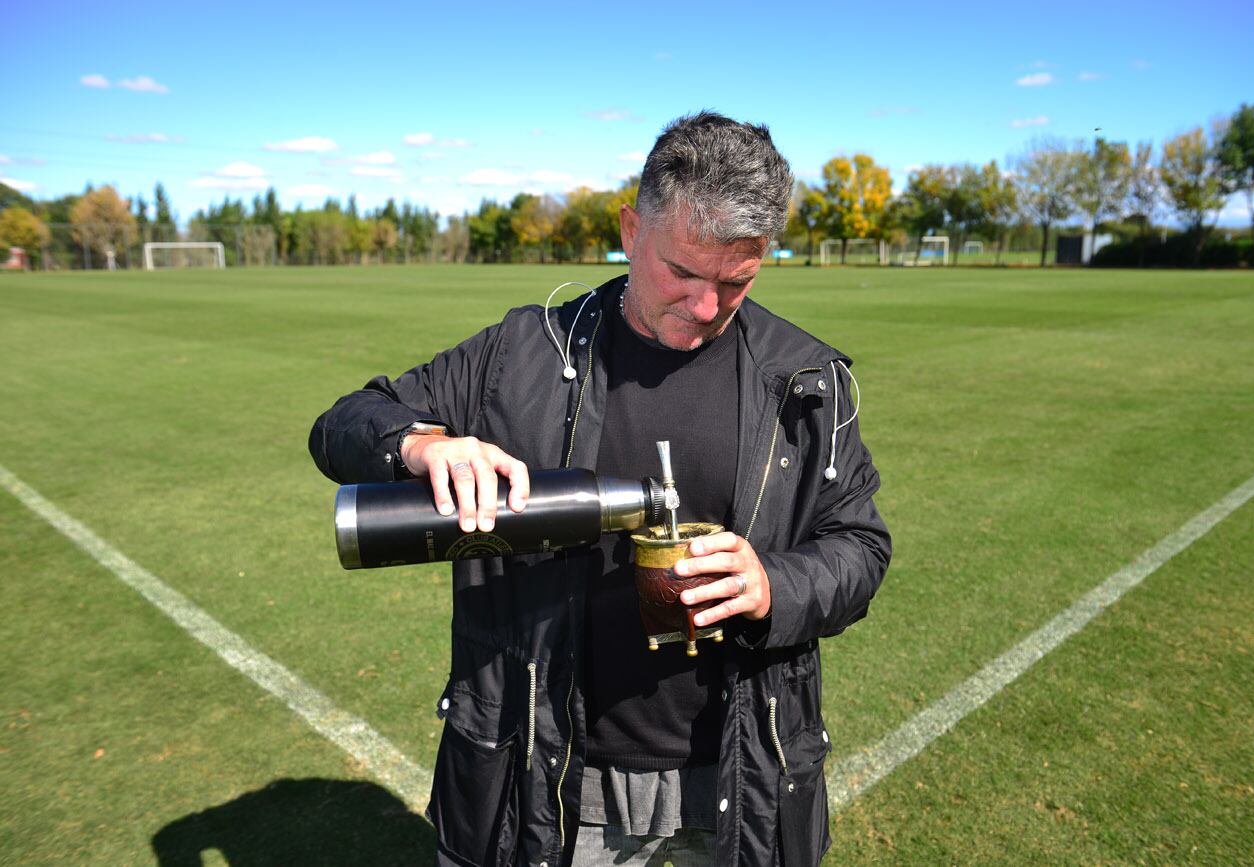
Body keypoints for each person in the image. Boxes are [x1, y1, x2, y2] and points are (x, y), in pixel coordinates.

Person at [309, 111, 891, 867]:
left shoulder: (807, 379)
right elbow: (342, 424)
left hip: (741, 785)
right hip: (550, 786)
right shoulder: (522, 353)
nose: (705, 307)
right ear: (630, 229)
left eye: (736, 281)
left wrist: (771, 584)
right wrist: (421, 442)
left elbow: (861, 545)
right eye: (682, 272)